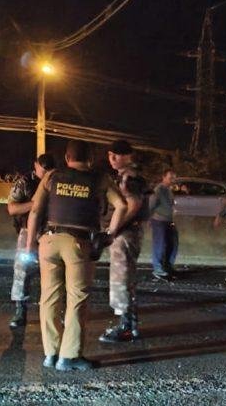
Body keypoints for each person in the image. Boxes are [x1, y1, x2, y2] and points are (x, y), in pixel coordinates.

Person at [26, 140, 127, 372]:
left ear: (67, 158)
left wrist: (30, 245)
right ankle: (69, 356)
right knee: (77, 298)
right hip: (78, 244)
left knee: (49, 298)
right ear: (90, 159)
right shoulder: (100, 178)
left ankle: (51, 353)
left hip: (48, 241)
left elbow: (34, 210)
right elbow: (121, 205)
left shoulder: (51, 176)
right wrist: (109, 234)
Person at [100, 140, 149, 343]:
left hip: (126, 233)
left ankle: (125, 326)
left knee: (121, 278)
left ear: (128, 156)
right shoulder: (124, 176)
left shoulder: (130, 177)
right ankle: (131, 324)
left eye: (116, 155)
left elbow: (134, 205)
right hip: (128, 232)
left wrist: (113, 229)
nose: (112, 159)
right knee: (126, 278)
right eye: (110, 154)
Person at [6, 152, 57, 329]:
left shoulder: (56, 181)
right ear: (36, 165)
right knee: (22, 270)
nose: (45, 173)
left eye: (48, 169)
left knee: (54, 273)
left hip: (49, 233)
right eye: (43, 169)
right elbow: (12, 208)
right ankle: (20, 311)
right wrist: (35, 205)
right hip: (28, 232)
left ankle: (55, 311)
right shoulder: (25, 182)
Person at [149, 167, 178, 280]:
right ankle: (158, 269)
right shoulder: (159, 190)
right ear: (164, 177)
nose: (172, 180)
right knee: (159, 245)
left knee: (173, 244)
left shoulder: (168, 189)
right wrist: (149, 218)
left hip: (168, 220)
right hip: (159, 220)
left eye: (174, 178)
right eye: (170, 178)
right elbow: (152, 204)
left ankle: (168, 266)